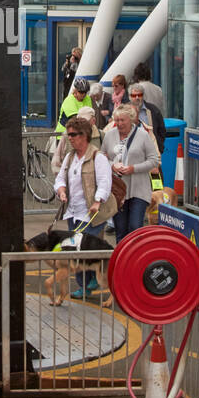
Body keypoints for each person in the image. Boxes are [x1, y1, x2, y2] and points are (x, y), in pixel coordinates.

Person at [53, 115, 116, 299]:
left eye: (73, 134)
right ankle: (84, 286)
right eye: (68, 134)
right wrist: (62, 190)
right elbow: (59, 179)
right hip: (73, 212)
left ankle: (97, 281)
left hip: (92, 214)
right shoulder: (70, 157)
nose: (70, 138)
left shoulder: (97, 157)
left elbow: (105, 182)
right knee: (76, 251)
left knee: (88, 251)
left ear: (84, 135)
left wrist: (97, 201)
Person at [102, 104, 160, 243]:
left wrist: (134, 168)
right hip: (118, 191)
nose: (120, 123)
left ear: (132, 119)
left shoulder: (143, 135)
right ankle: (122, 262)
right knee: (120, 230)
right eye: (117, 120)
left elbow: (154, 160)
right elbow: (101, 156)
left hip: (139, 189)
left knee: (135, 227)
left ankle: (136, 261)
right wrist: (112, 166)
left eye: (123, 120)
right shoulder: (109, 135)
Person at [128, 84, 166, 153]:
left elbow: (162, 130)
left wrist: (159, 146)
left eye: (139, 95)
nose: (137, 98)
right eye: (134, 95)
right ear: (129, 96)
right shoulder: (124, 110)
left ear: (143, 96)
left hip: (151, 151)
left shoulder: (153, 110)